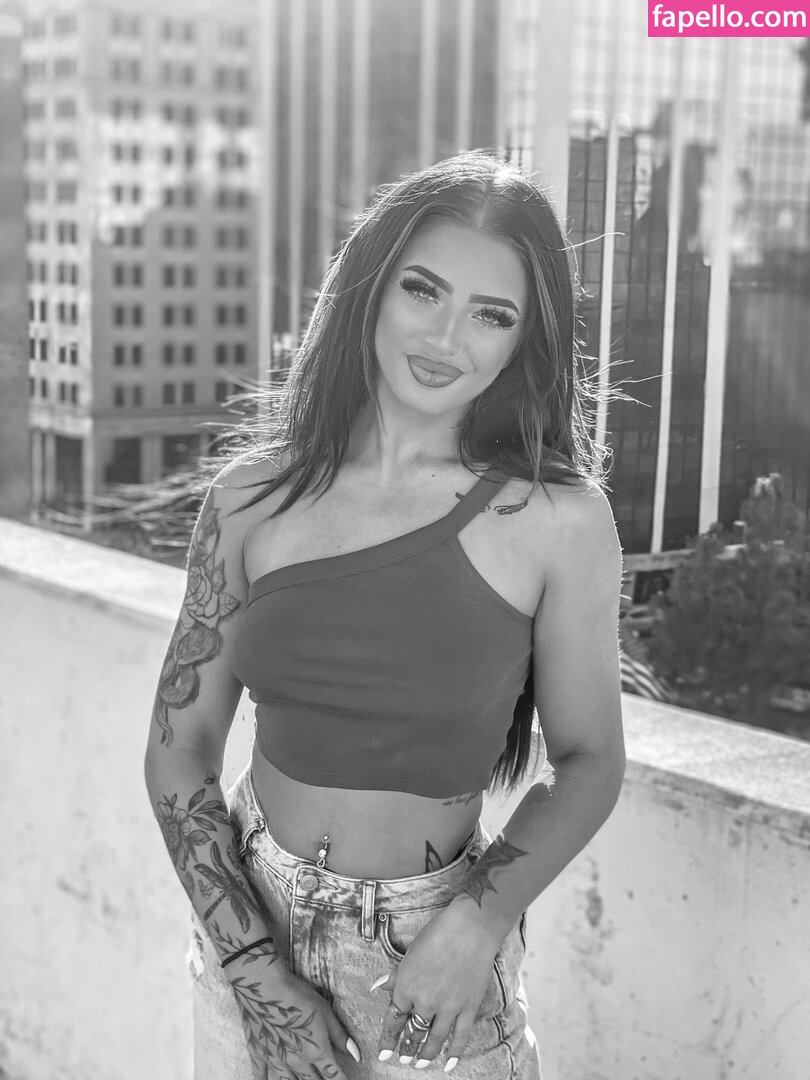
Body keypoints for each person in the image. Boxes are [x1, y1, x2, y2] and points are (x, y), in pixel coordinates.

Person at [144, 151, 625, 1080]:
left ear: (523, 341)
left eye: (492, 314)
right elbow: (179, 748)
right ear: (371, 288)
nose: (446, 337)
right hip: (246, 919)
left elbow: (590, 759)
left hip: (430, 955)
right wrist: (256, 976)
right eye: (423, 289)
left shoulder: (557, 521)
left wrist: (477, 924)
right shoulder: (250, 499)